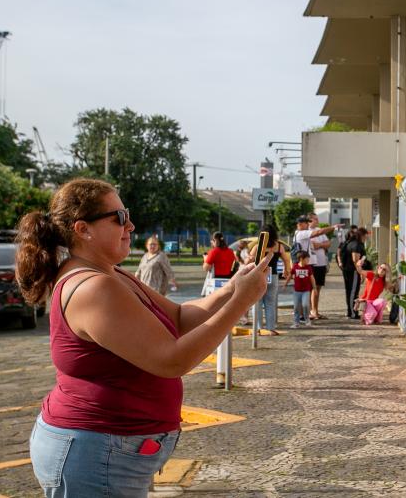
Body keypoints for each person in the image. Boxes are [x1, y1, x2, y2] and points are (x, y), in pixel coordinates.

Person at [15, 178, 271, 496]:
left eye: (128, 214)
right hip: (95, 452)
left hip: (109, 449)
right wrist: (241, 303)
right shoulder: (94, 287)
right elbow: (171, 359)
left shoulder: (112, 273)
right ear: (83, 229)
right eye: (119, 218)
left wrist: (233, 287)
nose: (131, 225)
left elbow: (178, 318)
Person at [293, 215, 343, 320]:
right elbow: (318, 233)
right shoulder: (301, 233)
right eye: (306, 223)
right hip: (303, 265)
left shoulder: (300, 233)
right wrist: (333, 227)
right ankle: (302, 315)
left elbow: (325, 240)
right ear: (300, 224)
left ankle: (304, 314)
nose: (308, 225)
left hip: (307, 264)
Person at [247, 223, 291, 336]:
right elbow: (286, 259)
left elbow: (249, 260)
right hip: (273, 275)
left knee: (257, 302)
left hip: (259, 275)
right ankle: (270, 328)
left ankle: (258, 328)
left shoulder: (258, 246)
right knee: (270, 303)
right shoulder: (279, 246)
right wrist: (287, 271)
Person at [340, 227, 368, 319]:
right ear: (362, 235)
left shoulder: (350, 242)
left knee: (350, 291)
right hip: (353, 271)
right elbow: (355, 260)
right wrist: (361, 273)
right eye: (365, 236)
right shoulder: (356, 245)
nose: (366, 238)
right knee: (353, 292)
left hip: (348, 271)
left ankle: (350, 311)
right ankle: (352, 312)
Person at [284, 250, 315, 329]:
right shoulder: (295, 266)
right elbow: (290, 276)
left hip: (306, 291)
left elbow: (312, 278)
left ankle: (307, 320)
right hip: (297, 291)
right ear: (301, 259)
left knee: (305, 305)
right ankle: (296, 322)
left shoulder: (309, 267)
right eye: (307, 259)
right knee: (296, 307)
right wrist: (285, 284)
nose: (308, 261)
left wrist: (314, 288)